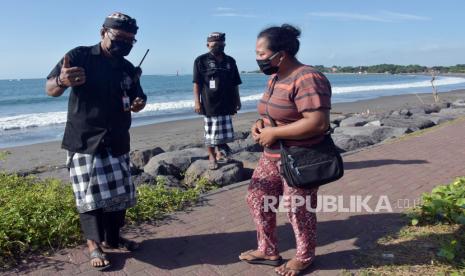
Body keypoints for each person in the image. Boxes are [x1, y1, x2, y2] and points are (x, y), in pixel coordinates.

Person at [45, 12, 146, 270]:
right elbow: (50, 88)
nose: (124, 43)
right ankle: (94, 245)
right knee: (88, 197)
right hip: (85, 139)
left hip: (118, 139)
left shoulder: (127, 68)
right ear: (103, 32)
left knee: (119, 195)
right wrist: (62, 80)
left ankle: (113, 238)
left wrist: (138, 104)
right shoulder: (80, 56)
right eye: (119, 37)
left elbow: (138, 99)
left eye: (130, 40)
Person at [239, 24, 332, 276]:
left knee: (297, 208)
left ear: (281, 55)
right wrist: (260, 124)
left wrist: (274, 133)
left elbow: (318, 122)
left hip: (301, 157)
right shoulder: (275, 78)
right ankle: (267, 250)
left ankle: (305, 256)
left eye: (261, 53)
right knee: (257, 199)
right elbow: (273, 113)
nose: (258, 59)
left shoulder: (308, 78)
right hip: (272, 155)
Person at [193, 32, 242, 170]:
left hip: (227, 101)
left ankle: (220, 153)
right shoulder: (200, 60)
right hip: (209, 102)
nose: (218, 47)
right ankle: (212, 156)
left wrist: (237, 100)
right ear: (208, 45)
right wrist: (197, 102)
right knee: (211, 132)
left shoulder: (230, 61)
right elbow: (197, 83)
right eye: (215, 45)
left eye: (221, 44)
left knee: (224, 132)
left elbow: (235, 83)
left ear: (224, 44)